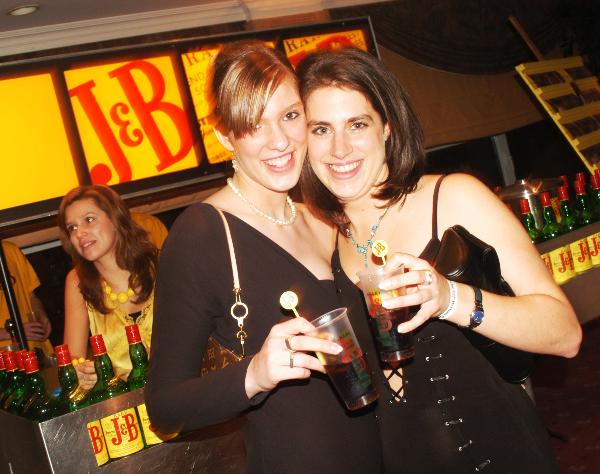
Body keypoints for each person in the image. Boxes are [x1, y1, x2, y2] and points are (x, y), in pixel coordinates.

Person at [296, 47, 582, 473]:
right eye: (321, 129)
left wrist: (451, 298)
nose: (340, 148)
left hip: (497, 456)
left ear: (387, 128)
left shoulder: (453, 197)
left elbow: (565, 334)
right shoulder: (323, 234)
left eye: (357, 124)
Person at [146, 40, 382, 474]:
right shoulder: (203, 234)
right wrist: (255, 374)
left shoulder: (323, 214)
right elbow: (165, 408)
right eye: (254, 125)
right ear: (224, 136)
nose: (280, 141)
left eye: (290, 116)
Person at [58, 185, 159, 388]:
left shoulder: (160, 264)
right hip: (124, 401)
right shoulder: (76, 281)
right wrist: (84, 373)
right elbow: (72, 358)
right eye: (72, 228)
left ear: (115, 218)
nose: (80, 233)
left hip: (181, 389)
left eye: (89, 220)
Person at [0, 240, 53, 357]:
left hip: (36, 349)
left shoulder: (9, 249)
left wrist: (40, 313)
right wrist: (14, 331)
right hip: (6, 359)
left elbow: (31, 296)